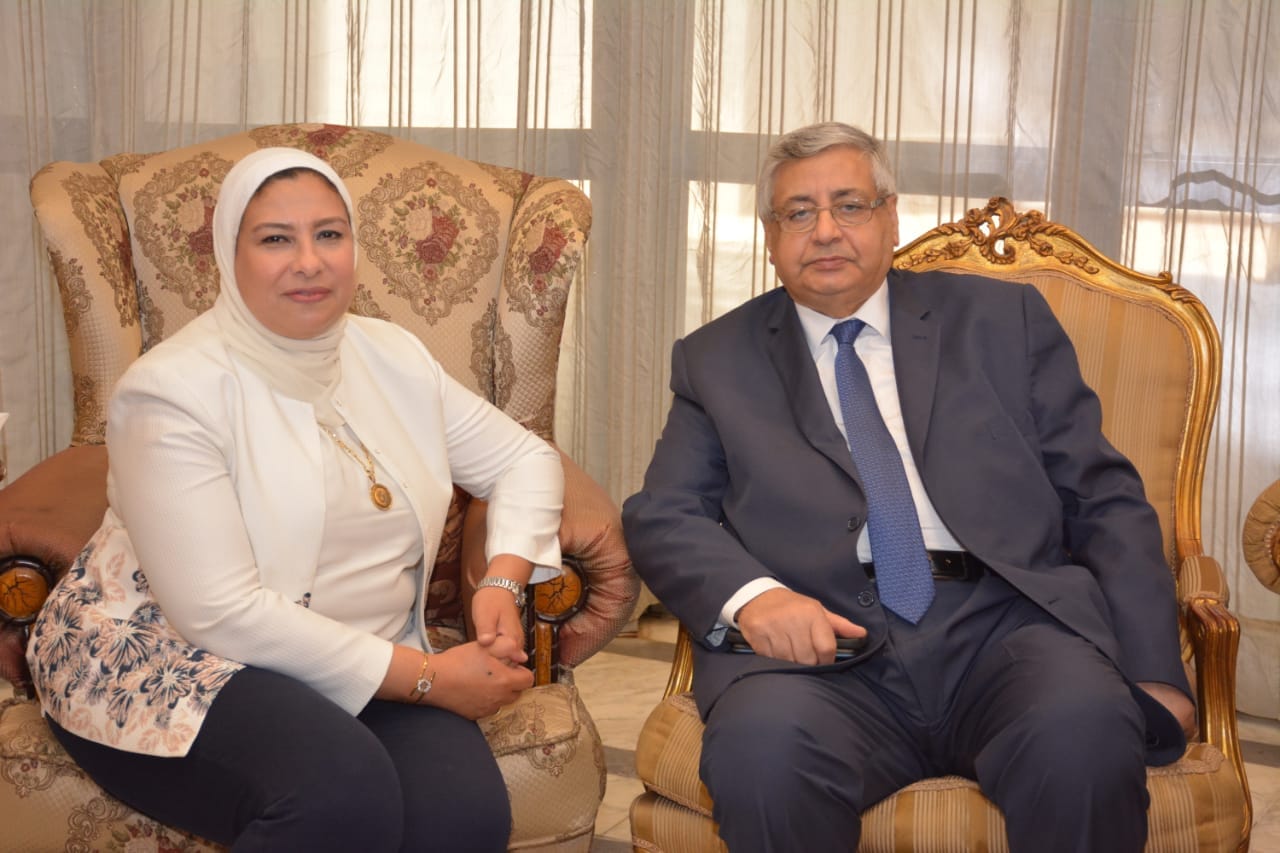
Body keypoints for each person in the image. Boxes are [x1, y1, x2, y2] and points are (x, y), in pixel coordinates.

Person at [621, 122, 1195, 853]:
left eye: (849, 205)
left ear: (891, 217)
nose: (825, 231)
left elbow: (1101, 496)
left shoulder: (1001, 321)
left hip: (1006, 627)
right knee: (761, 755)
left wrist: (1154, 668)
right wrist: (756, 598)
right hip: (818, 652)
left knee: (1084, 731)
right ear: (770, 236)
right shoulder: (716, 360)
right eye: (798, 212)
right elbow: (664, 513)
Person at [27, 147, 564, 852]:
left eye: (329, 234)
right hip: (173, 657)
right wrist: (429, 677)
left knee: (462, 818)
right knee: (339, 796)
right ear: (230, 255)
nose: (309, 261)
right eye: (276, 239)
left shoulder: (392, 354)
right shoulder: (170, 392)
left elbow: (525, 459)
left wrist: (503, 580)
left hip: (373, 650)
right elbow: (219, 612)